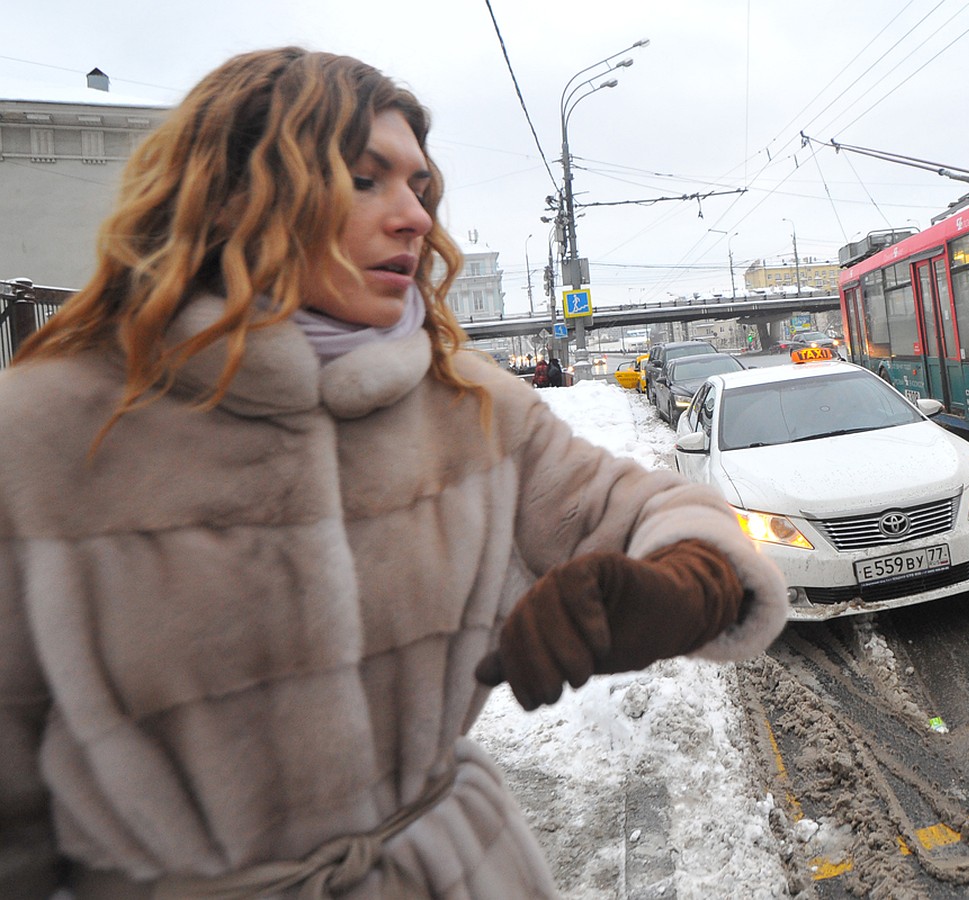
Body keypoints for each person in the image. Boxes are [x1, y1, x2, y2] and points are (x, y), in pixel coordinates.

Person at [0, 48, 787, 899]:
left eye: (419, 185)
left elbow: (662, 514)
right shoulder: (46, 431)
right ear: (234, 194)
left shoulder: (463, 401)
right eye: (368, 180)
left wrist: (673, 591)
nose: (415, 216)